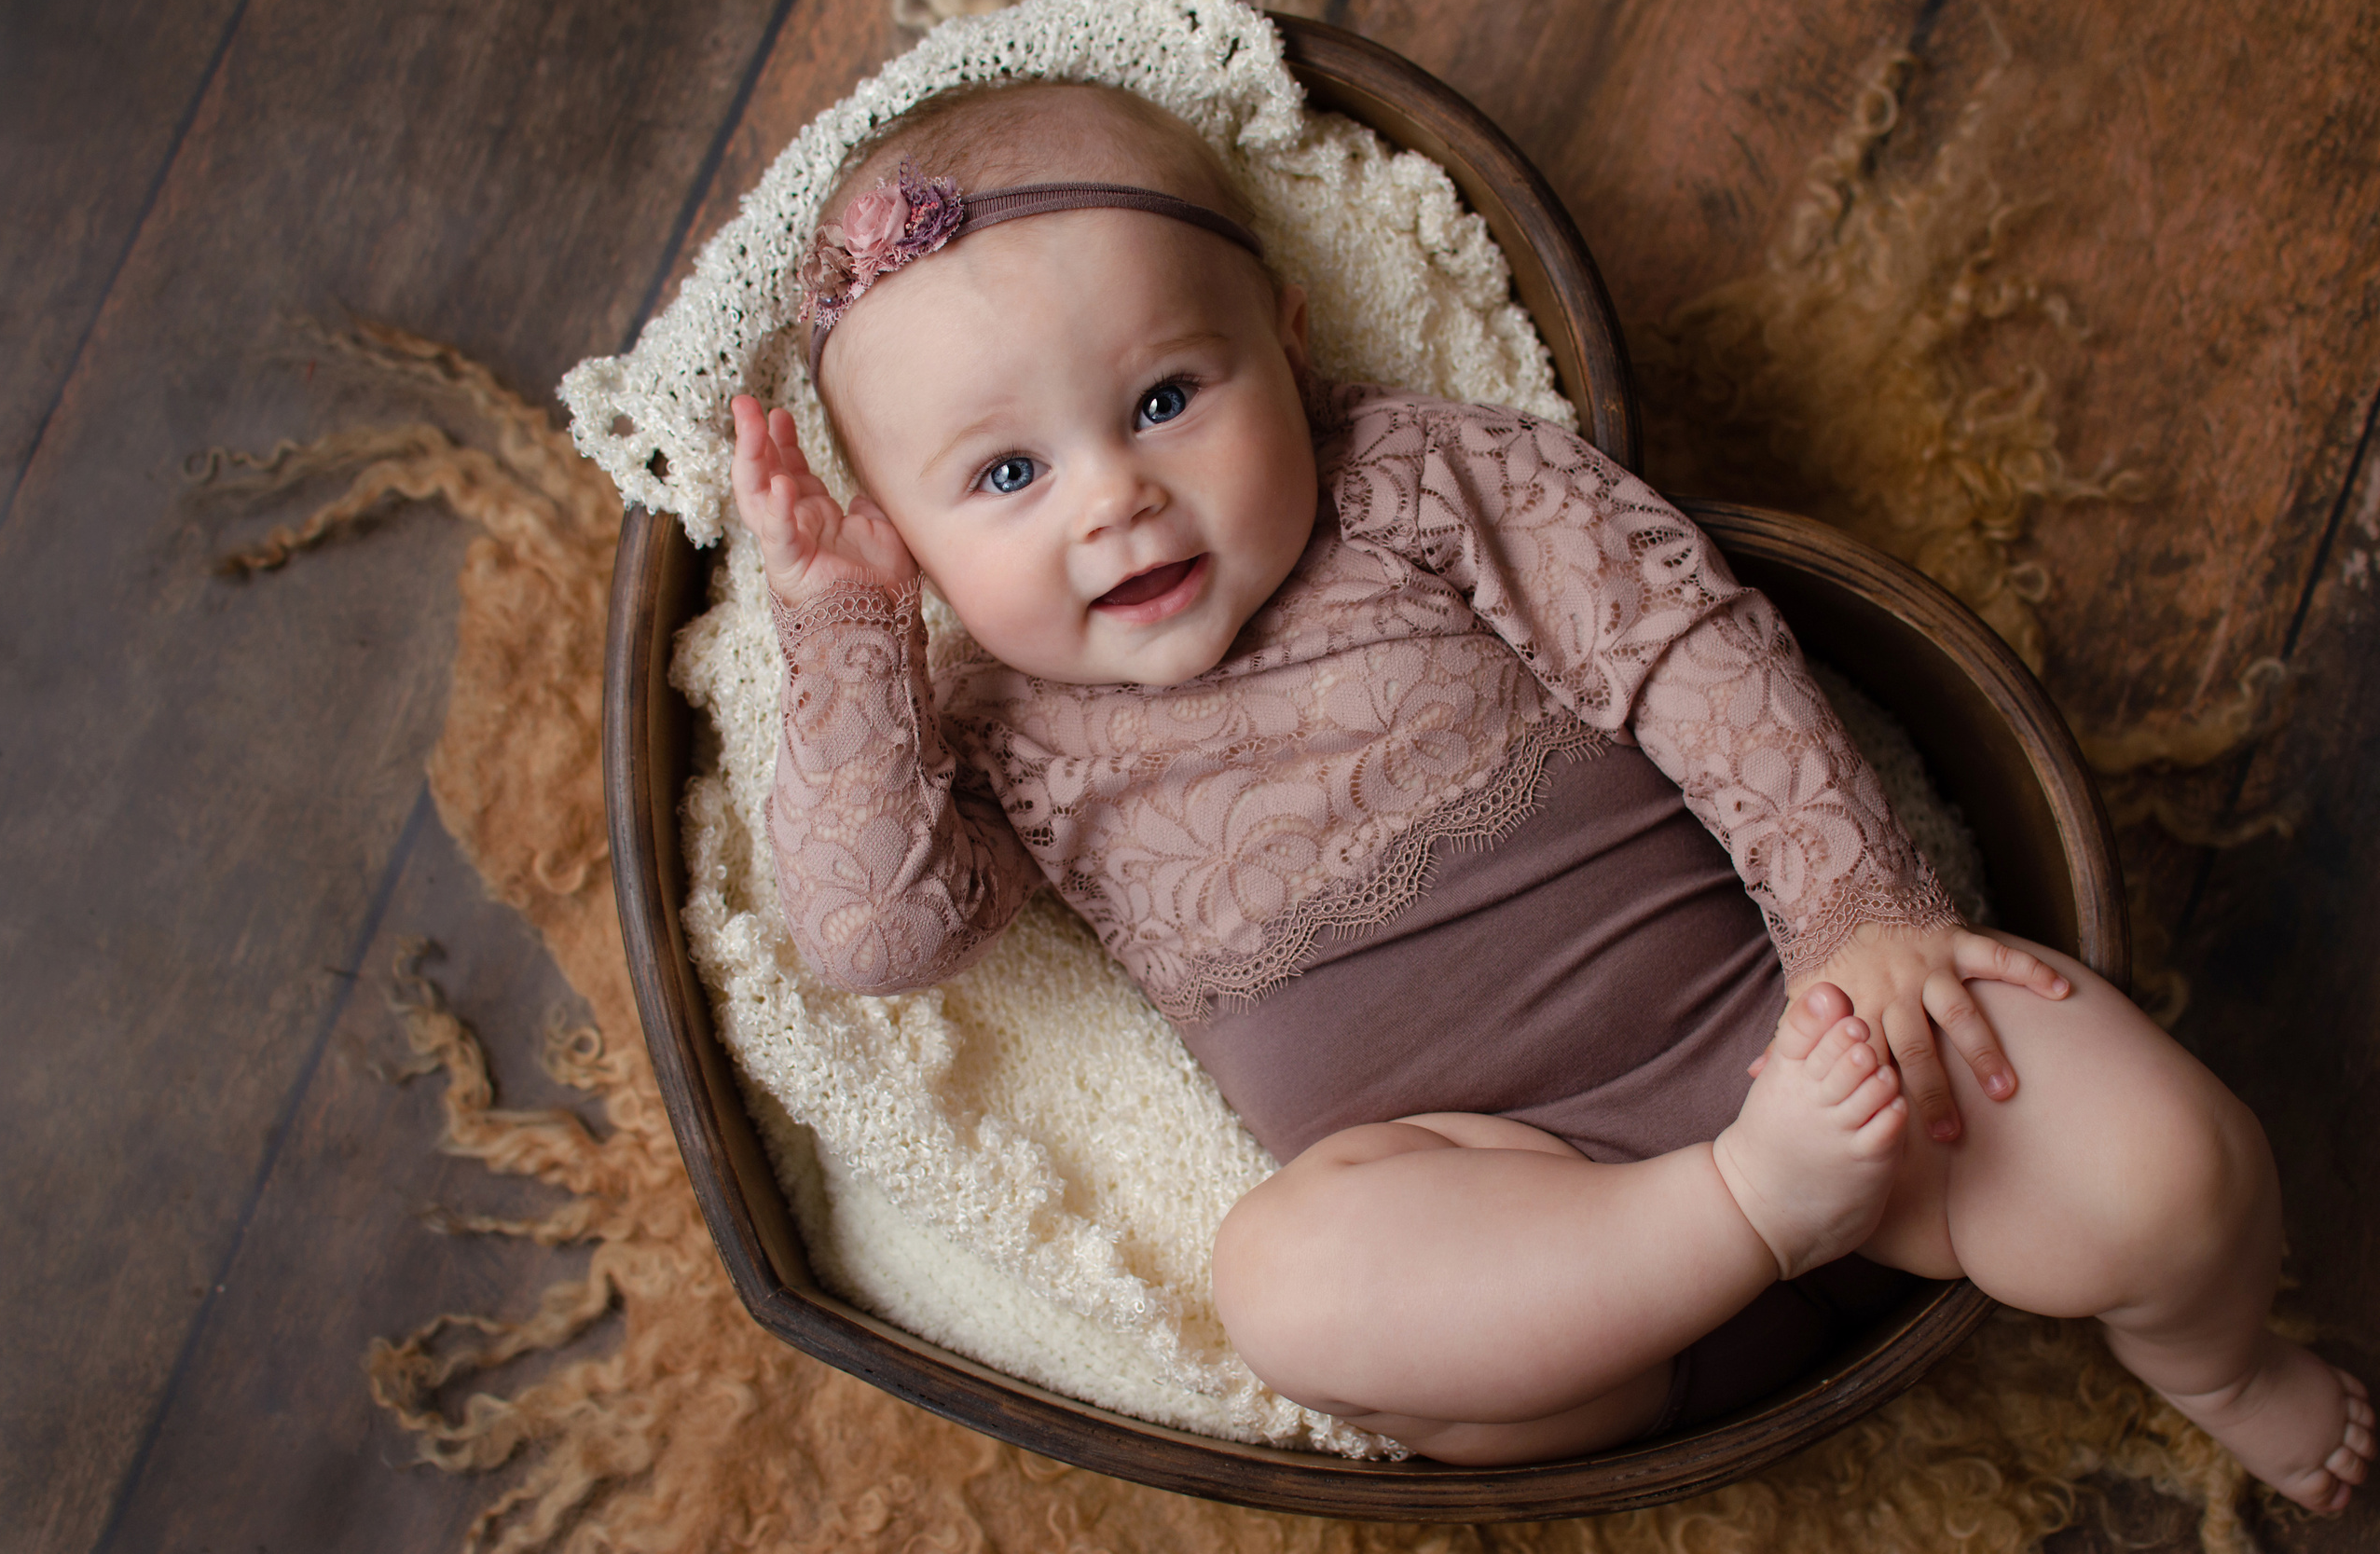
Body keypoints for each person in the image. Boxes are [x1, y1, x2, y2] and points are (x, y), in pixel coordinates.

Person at [728, 78, 2371, 1511]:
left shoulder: (1422, 480)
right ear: (913, 541)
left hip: (1793, 1043)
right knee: (1288, 1284)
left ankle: (2222, 1371)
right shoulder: (990, 720)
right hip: (1523, 1244)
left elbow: (1689, 647)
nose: (1116, 500)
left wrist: (1860, 915)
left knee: (2170, 1166)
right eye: (1006, 478)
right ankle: (1732, 1217)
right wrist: (845, 635)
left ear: (1288, 348)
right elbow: (878, 933)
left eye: (1167, 398)